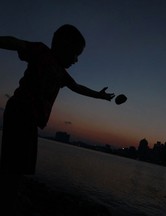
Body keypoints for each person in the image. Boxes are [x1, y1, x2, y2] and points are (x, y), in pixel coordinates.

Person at [0, 24, 115, 214]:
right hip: (19, 111)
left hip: (30, 120)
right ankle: (6, 200)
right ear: (64, 46)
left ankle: (10, 196)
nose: (77, 60)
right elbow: (17, 43)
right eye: (76, 54)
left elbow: (77, 87)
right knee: (13, 164)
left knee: (19, 165)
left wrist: (98, 95)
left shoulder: (61, 73)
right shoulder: (41, 51)